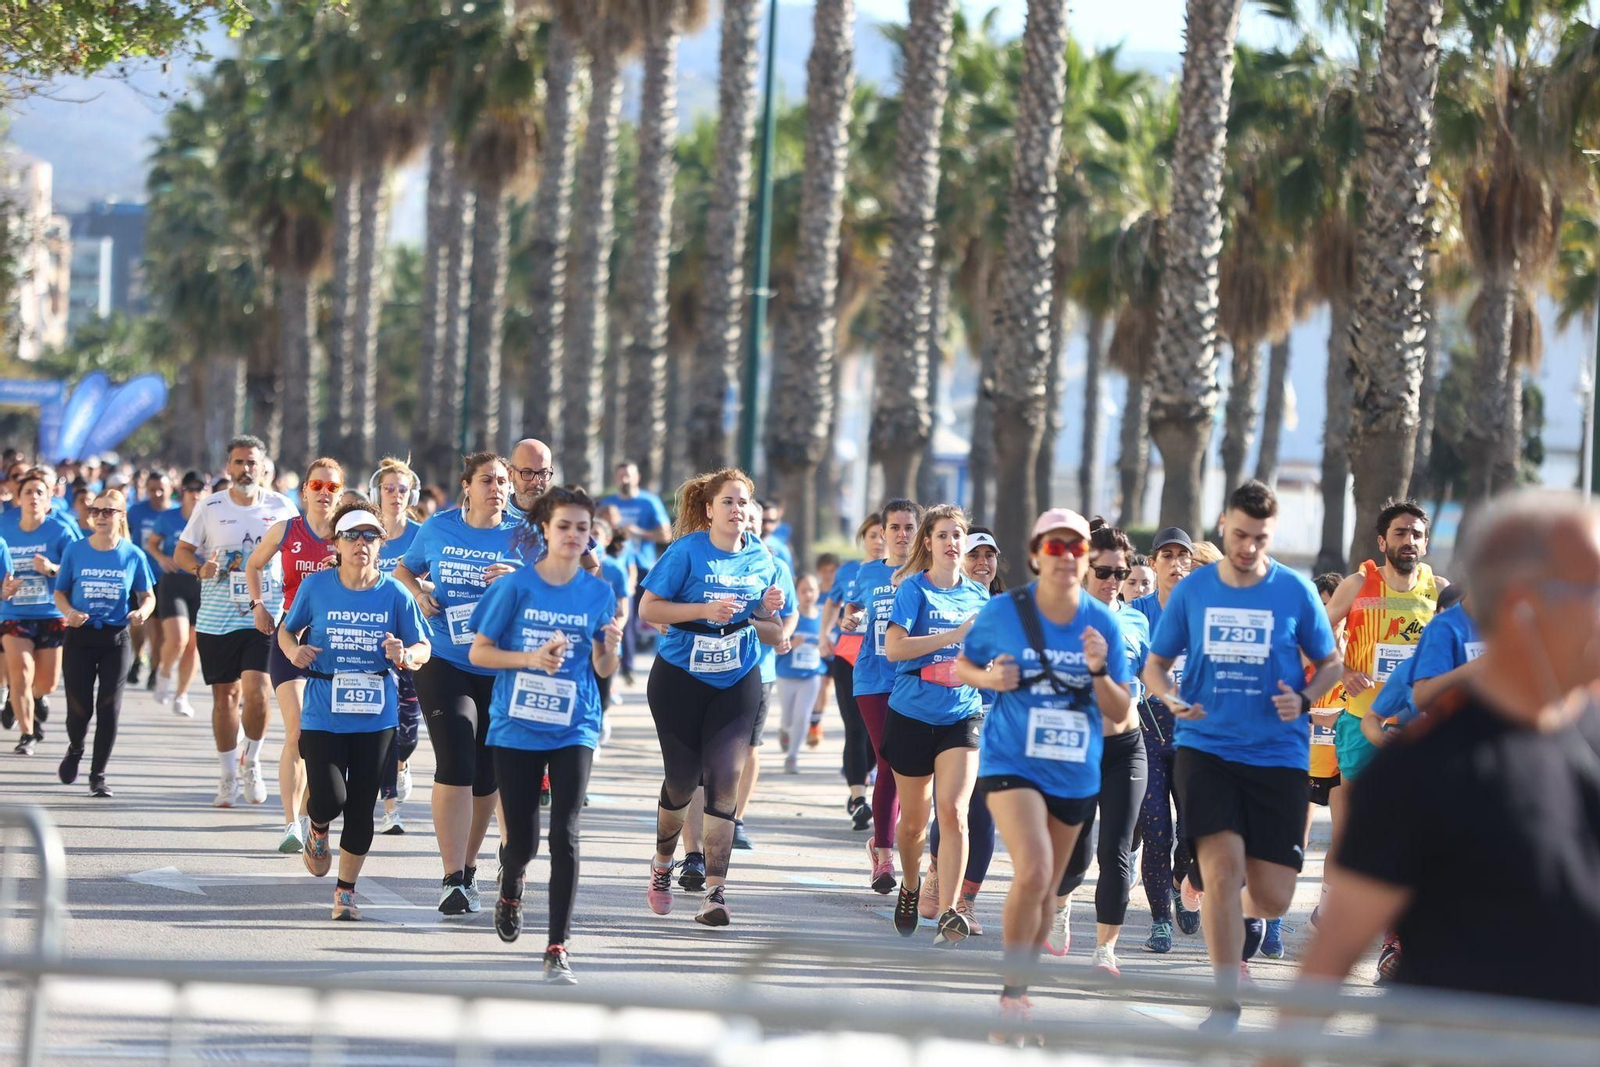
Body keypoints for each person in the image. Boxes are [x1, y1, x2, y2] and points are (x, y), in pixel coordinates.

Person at [1293, 490, 1600, 1008]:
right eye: (1588, 588)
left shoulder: (1587, 739)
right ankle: (1377, 930)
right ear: (1521, 605)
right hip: (1442, 1038)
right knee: (1349, 838)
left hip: (1560, 1038)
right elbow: (1318, 983)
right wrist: (1343, 672)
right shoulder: (1423, 769)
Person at [1142, 481, 1341, 1031]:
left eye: (1260, 538)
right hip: (1206, 748)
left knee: (1273, 897)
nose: (1249, 547)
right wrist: (1173, 699)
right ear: (1223, 526)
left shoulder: (1294, 590)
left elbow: (1330, 664)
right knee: (1223, 871)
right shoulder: (1195, 590)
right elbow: (1155, 665)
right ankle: (1225, 999)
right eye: (1240, 535)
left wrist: (1304, 697)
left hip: (1278, 754)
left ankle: (1238, 912)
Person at [958, 508, 1134, 1024]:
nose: (1066, 557)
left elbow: (1120, 709)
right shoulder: (1004, 611)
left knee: (1048, 888)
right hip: (1012, 760)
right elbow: (965, 664)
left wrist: (1098, 670)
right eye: (1055, 547)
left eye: (1076, 548)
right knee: (1033, 870)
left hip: (1074, 768)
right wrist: (991, 680)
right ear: (1037, 555)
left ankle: (1023, 979)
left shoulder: (1102, 622)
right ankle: (1012, 994)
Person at [470, 486, 623, 984]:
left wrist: (610, 648)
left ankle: (557, 946)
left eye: (583, 528)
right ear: (545, 530)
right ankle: (510, 884)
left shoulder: (598, 592)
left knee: (566, 833)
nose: (574, 535)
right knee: (524, 842)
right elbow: (479, 652)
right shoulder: (516, 587)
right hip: (516, 724)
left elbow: (603, 666)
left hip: (575, 723)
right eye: (564, 526)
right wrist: (531, 659)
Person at [638, 468, 784, 927]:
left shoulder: (762, 557)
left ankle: (716, 893)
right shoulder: (686, 551)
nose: (737, 510)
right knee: (683, 781)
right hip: (680, 676)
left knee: (725, 779)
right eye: (728, 502)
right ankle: (663, 863)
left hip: (737, 678)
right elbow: (648, 609)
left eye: (743, 502)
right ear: (709, 509)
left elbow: (773, 631)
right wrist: (704, 610)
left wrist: (764, 612)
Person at [279, 502, 431, 922]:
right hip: (323, 708)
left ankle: (345, 891)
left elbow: (424, 647)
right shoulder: (317, 587)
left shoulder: (395, 593)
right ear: (336, 543)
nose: (361, 543)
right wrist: (294, 652)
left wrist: (406, 655)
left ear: (381, 544)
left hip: (376, 714)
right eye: (351, 535)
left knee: (362, 807)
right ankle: (318, 827)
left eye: (370, 536)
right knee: (330, 797)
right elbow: (287, 630)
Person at [395, 452, 522, 915]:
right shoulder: (438, 527)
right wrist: (418, 595)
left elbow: (556, 585)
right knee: (456, 756)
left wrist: (520, 577)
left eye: (503, 481)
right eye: (487, 480)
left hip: (501, 663)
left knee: (488, 774)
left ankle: (468, 869)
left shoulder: (526, 536)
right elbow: (404, 570)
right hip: (445, 655)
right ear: (466, 485)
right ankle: (451, 877)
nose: (497, 488)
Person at [880, 504, 990, 945]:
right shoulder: (914, 590)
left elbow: (988, 655)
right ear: (928, 542)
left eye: (957, 535)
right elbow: (894, 649)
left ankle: (949, 910)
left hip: (961, 714)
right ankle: (910, 886)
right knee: (913, 824)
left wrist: (985, 667)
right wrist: (952, 637)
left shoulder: (980, 597)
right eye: (942, 535)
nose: (951, 543)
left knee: (955, 813)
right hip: (911, 714)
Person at [175, 437, 300, 808]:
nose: (245, 469)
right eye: (238, 462)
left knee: (258, 691)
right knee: (225, 697)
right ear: (228, 467)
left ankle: (252, 760)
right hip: (217, 618)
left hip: (266, 614)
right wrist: (199, 568)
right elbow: (182, 551)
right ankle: (227, 773)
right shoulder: (210, 506)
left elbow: (298, 551)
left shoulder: (282, 506)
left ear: (263, 467)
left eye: (252, 463)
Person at [1053, 520, 1151, 974]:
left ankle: (1105, 949)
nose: (1114, 581)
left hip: (1127, 747)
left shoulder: (1136, 620)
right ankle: (1060, 901)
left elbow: (1151, 673)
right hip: (1076, 750)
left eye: (1121, 573)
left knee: (1116, 849)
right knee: (1076, 855)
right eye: (1104, 572)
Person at [246, 459, 343, 854]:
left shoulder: (349, 535)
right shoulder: (286, 529)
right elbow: (254, 564)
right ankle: (291, 823)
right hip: (291, 633)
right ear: (304, 490)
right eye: (317, 485)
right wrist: (258, 605)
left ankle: (308, 818)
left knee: (325, 739)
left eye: (332, 487)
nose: (324, 493)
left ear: (340, 493)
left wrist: (341, 568)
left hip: (336, 642)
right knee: (298, 731)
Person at [923, 526, 1003, 935]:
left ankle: (965, 901)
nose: (982, 563)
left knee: (983, 812)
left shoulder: (1006, 609)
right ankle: (938, 870)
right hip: (950, 716)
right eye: (975, 555)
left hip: (995, 721)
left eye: (989, 556)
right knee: (952, 808)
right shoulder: (940, 600)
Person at [842, 499, 922, 892]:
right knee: (888, 761)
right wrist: (851, 616)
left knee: (911, 767)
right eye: (895, 527)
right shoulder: (869, 572)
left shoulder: (927, 574)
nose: (902, 534)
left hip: (914, 680)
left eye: (909, 527)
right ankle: (885, 855)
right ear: (883, 532)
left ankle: (888, 839)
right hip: (873, 680)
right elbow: (855, 605)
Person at [52, 489, 155, 794]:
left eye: (108, 511)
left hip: (115, 638)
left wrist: (142, 613)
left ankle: (98, 775)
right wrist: (69, 613)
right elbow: (60, 592)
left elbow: (147, 596)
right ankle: (75, 748)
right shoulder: (75, 550)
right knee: (79, 709)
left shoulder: (133, 554)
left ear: (121, 516)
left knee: (109, 707)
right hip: (80, 635)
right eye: (95, 511)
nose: (100, 517)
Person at [1128, 527, 1199, 946]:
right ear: (1154, 563)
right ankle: (1159, 920)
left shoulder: (1205, 611)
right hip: (1146, 730)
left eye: (1182, 556)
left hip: (1194, 732)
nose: (1175, 563)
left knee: (1192, 832)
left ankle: (1178, 884)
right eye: (1167, 556)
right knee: (1156, 830)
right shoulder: (1136, 612)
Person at [0, 467, 82, 753]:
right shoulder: (4, 530)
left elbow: (76, 571)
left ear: (49, 501)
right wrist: (5, 588)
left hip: (50, 613)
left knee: (47, 684)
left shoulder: (60, 531)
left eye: (39, 492)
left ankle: (32, 698)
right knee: (21, 672)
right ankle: (27, 733)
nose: (33, 497)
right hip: (13, 613)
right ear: (19, 498)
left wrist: (52, 569)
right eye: (28, 492)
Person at [818, 513, 885, 830]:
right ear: (863, 539)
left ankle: (863, 775)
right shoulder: (849, 572)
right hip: (848, 656)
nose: (879, 541)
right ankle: (859, 798)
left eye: (883, 534)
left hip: (885, 660)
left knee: (877, 735)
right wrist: (824, 634)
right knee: (854, 729)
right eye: (873, 535)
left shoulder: (904, 573)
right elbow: (833, 603)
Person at [370, 458, 423, 835]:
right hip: (369, 642)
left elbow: (437, 581)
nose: (395, 495)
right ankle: (391, 810)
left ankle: (402, 765)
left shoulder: (422, 535)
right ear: (377, 493)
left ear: (411, 495)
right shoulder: (365, 532)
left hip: (410, 643)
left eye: (402, 489)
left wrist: (423, 590)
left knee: (408, 732)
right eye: (388, 488)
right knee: (384, 725)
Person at [598, 460, 671, 685]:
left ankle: (665, 663)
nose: (625, 480)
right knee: (622, 617)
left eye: (629, 475)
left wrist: (637, 532)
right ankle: (623, 667)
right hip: (615, 568)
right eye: (621, 475)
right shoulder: (609, 503)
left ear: (637, 477)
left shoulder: (649, 502)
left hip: (644, 567)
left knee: (652, 615)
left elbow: (666, 535)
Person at [1305, 572, 1349, 937]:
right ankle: (1271, 921)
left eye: (1335, 606)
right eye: (1322, 607)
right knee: (1294, 840)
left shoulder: (1359, 648)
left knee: (1343, 838)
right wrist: (1312, 716)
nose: (1329, 614)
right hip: (1305, 757)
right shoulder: (1303, 649)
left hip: (1343, 757)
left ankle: (1327, 910)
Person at [147, 472, 207, 718]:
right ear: (182, 492)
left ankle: (181, 695)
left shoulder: (212, 518)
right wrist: (162, 558)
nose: (195, 494)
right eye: (191, 489)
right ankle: (163, 673)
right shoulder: (169, 517)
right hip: (173, 582)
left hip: (201, 584)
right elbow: (152, 543)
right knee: (178, 639)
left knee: (193, 646)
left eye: (200, 489)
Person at [776, 573, 828, 774]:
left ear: (818, 592)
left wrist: (825, 646)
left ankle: (792, 756)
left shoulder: (823, 617)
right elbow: (774, 645)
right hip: (786, 675)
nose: (808, 595)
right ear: (796, 593)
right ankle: (784, 729)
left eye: (812, 590)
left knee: (803, 716)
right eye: (804, 590)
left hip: (811, 676)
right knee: (788, 717)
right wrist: (790, 643)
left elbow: (829, 642)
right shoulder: (790, 616)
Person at [125, 470, 172, 689]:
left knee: (159, 628)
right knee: (137, 624)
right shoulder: (136, 511)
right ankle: (137, 656)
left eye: (161, 489)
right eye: (152, 489)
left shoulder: (175, 512)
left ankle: (155, 668)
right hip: (139, 575)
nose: (157, 494)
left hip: (165, 577)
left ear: (170, 489)